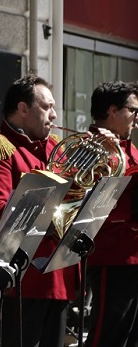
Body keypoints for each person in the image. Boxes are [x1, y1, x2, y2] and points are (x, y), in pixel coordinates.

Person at [0, 73, 76, 347]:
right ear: (23, 108)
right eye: (47, 107)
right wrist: (50, 219)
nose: (53, 115)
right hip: (18, 282)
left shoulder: (56, 150)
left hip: (57, 276)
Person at [84, 81, 138, 347]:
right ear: (113, 111)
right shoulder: (89, 145)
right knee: (107, 336)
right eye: (133, 111)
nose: (136, 120)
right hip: (111, 253)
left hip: (132, 253)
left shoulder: (128, 146)